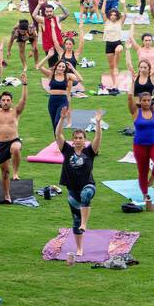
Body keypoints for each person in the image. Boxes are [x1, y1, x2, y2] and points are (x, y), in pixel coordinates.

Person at [55, 109, 102, 263]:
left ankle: (84, 223)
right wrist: (62, 119)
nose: (78, 140)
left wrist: (98, 123)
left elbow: (98, 138)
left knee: (85, 195)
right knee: (75, 221)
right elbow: (58, 135)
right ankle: (80, 248)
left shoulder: (90, 151)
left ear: (84, 139)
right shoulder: (67, 151)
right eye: (75, 138)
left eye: (81, 138)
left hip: (88, 185)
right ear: (73, 140)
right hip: (72, 189)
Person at [0, 78, 28, 203]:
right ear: (0, 101)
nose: (5, 102)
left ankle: (16, 173)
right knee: (5, 172)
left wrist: (24, 84)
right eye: (3, 100)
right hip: (1, 144)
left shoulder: (16, 112)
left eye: (8, 100)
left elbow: (24, 100)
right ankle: (6, 196)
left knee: (15, 148)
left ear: (11, 102)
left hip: (14, 140)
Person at [127, 81, 154, 208]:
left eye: (148, 100)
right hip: (140, 146)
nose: (146, 102)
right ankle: (145, 194)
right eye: (144, 100)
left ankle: (152, 178)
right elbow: (129, 97)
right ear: (140, 101)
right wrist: (132, 82)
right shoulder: (135, 112)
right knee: (143, 171)